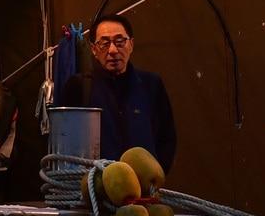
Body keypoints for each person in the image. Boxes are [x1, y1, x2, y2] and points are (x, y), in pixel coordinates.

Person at [57, 13, 177, 173]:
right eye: (104, 43)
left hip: (143, 191)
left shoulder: (151, 85)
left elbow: (167, 138)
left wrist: (155, 174)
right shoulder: (79, 86)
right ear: (93, 49)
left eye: (120, 42)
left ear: (131, 44)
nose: (113, 50)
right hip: (94, 187)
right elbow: (66, 142)